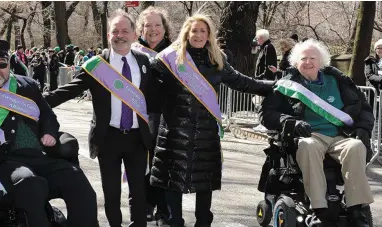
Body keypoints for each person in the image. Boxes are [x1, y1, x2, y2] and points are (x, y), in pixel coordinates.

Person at [0, 39, 98, 227]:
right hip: (1, 161)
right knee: (31, 185)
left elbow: (47, 115)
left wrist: (49, 132)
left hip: (38, 155)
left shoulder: (27, 85)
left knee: (76, 180)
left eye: (2, 64)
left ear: (9, 64)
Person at [149, 14, 275, 227]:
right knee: (173, 183)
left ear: (209, 35)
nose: (198, 35)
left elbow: (242, 82)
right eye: (194, 31)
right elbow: (149, 89)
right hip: (174, 131)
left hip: (206, 133)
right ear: (186, 33)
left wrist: (275, 86)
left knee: (204, 184)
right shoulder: (168, 59)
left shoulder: (217, 59)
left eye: (203, 31)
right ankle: (174, 222)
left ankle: (203, 222)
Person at [44, 10, 155, 227]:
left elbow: (158, 96)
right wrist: (34, 102)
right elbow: (67, 90)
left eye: (125, 31)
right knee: (111, 193)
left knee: (140, 192)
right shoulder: (97, 65)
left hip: (137, 139)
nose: (119, 35)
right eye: (115, 31)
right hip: (108, 138)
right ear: (108, 35)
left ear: (134, 35)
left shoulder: (144, 62)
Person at [260, 39, 374, 227]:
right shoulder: (286, 84)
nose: (308, 62)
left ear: (321, 61)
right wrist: (290, 122)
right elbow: (267, 114)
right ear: (296, 62)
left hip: (339, 136)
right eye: (303, 58)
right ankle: (319, 210)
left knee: (356, 146)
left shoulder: (339, 81)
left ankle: (357, 209)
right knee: (308, 146)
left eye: (313, 58)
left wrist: (362, 128)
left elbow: (363, 109)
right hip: (309, 136)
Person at [133, 6, 173, 223]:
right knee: (142, 162)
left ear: (165, 29)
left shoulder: (176, 52)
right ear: (141, 29)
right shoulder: (132, 52)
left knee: (164, 163)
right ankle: (145, 204)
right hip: (140, 114)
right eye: (148, 25)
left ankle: (164, 208)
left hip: (168, 115)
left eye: (158, 25)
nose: (153, 29)